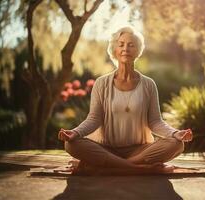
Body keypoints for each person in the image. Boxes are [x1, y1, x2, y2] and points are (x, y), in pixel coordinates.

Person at [58, 26, 193, 173]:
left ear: (137, 51)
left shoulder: (148, 84)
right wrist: (75, 133)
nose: (125, 48)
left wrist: (175, 133)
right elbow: (94, 119)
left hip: (139, 150)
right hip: (106, 149)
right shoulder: (101, 83)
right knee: (71, 144)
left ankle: (115, 165)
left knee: (177, 144)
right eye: (121, 44)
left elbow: (155, 122)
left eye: (131, 45)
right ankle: (139, 169)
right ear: (114, 50)